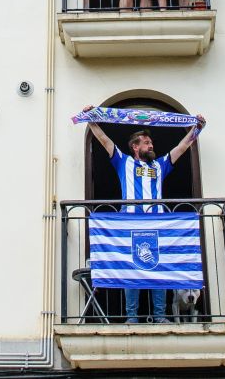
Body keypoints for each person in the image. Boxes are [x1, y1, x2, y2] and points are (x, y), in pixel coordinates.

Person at [83, 111, 207, 323]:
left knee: (158, 269)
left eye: (150, 143)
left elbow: (182, 147)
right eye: (147, 143)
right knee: (132, 269)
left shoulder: (160, 165)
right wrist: (90, 118)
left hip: (157, 225)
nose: (151, 146)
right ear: (135, 147)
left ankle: (159, 316)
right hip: (130, 224)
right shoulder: (124, 162)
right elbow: (104, 140)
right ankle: (132, 317)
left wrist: (197, 129)